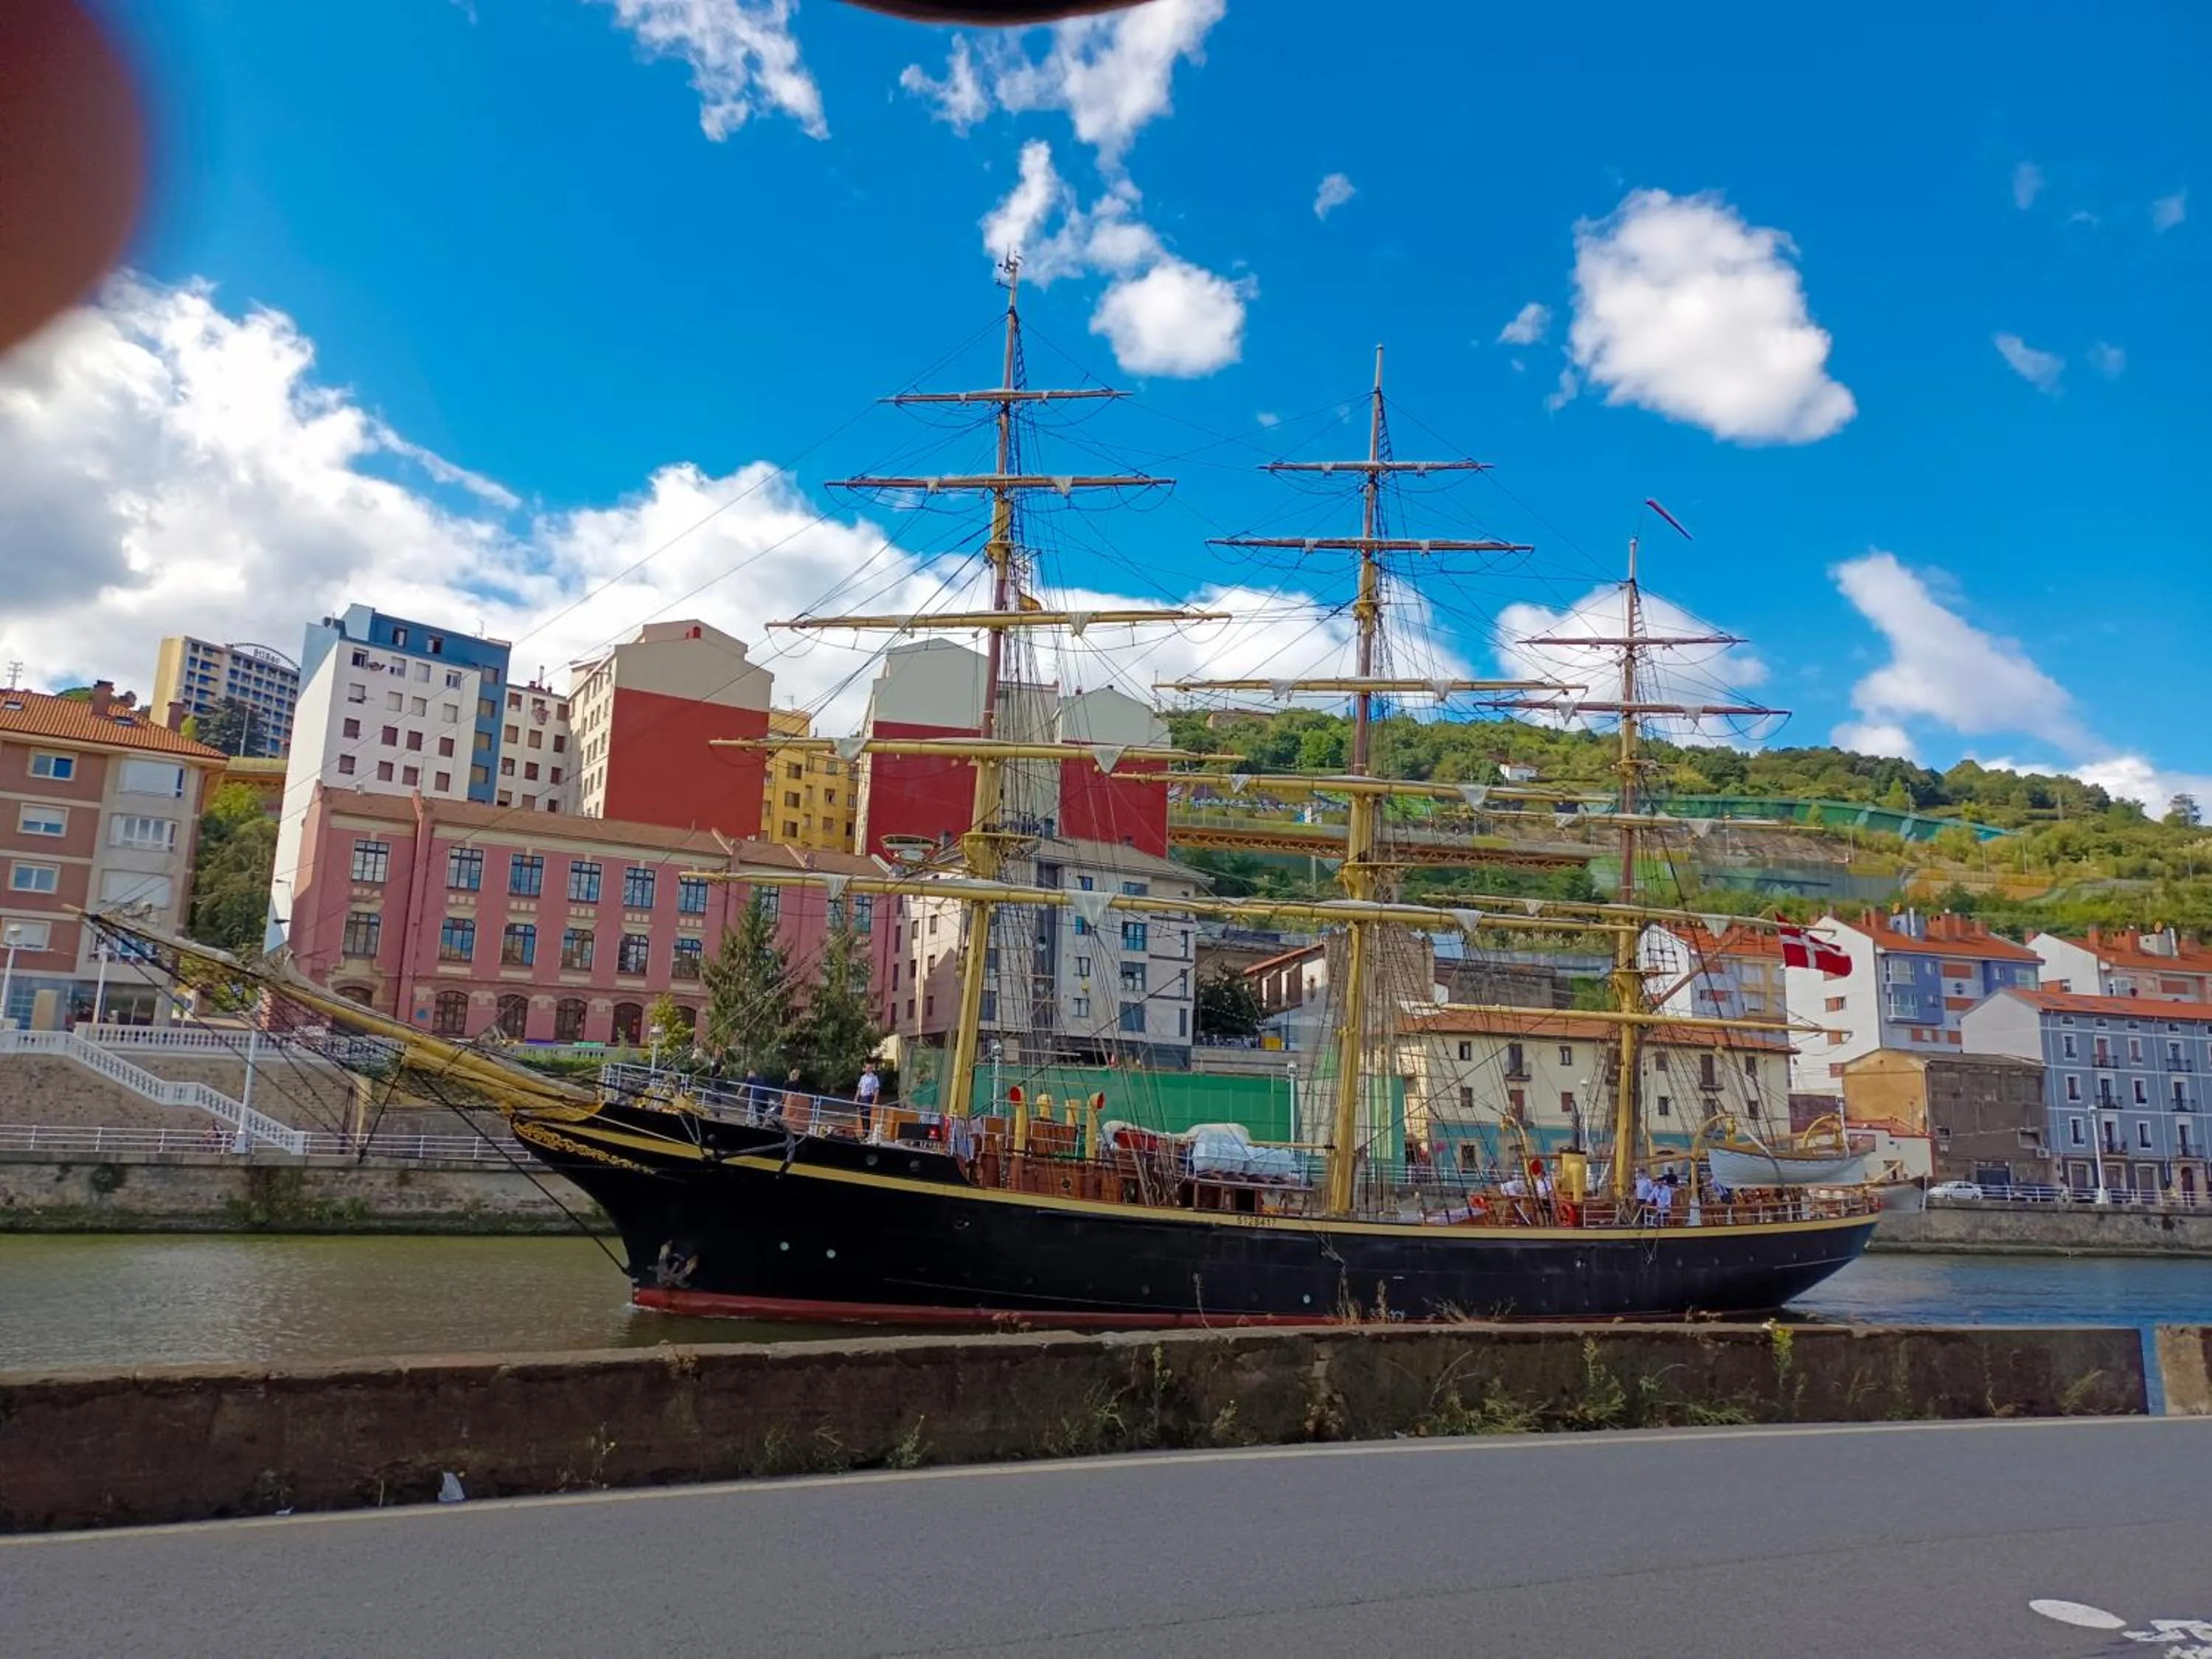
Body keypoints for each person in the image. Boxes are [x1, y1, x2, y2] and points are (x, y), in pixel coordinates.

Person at [855, 1061, 882, 1140]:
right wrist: (856, 1098)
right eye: (867, 1068)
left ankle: (866, 1134)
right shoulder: (863, 1078)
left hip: (868, 1097)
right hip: (862, 1097)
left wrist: (875, 1099)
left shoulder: (874, 1078)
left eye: (870, 1068)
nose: (868, 1069)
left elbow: (877, 1089)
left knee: (867, 1115)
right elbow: (859, 1089)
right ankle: (864, 1132)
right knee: (862, 1115)